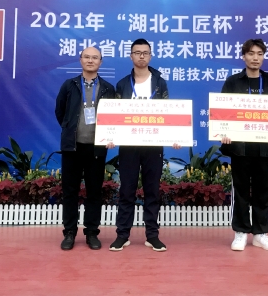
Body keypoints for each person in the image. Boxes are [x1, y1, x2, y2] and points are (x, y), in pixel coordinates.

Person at [109, 38, 181, 252]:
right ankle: (122, 235)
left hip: (153, 144)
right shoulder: (122, 84)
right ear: (131, 56)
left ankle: (152, 235)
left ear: (150, 56)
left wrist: (174, 136)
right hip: (129, 145)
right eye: (137, 52)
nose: (141, 56)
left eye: (145, 52)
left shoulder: (159, 82)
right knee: (127, 190)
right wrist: (110, 135)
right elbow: (114, 114)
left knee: (152, 191)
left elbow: (168, 112)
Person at [220, 38, 268, 252]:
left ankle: (260, 234)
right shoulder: (233, 82)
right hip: (240, 147)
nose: (255, 58)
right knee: (241, 191)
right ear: (243, 56)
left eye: (260, 54)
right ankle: (241, 232)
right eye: (251, 53)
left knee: (263, 191)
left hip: (265, 147)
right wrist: (224, 132)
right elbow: (222, 112)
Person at [55, 46, 116, 250]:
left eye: (95, 57)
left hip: (96, 148)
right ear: (80, 60)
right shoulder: (69, 85)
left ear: (101, 62)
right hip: (72, 147)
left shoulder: (108, 88)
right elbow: (60, 111)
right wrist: (69, 129)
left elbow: (113, 117)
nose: (90, 60)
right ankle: (69, 232)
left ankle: (91, 232)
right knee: (70, 191)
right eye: (87, 57)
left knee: (94, 192)